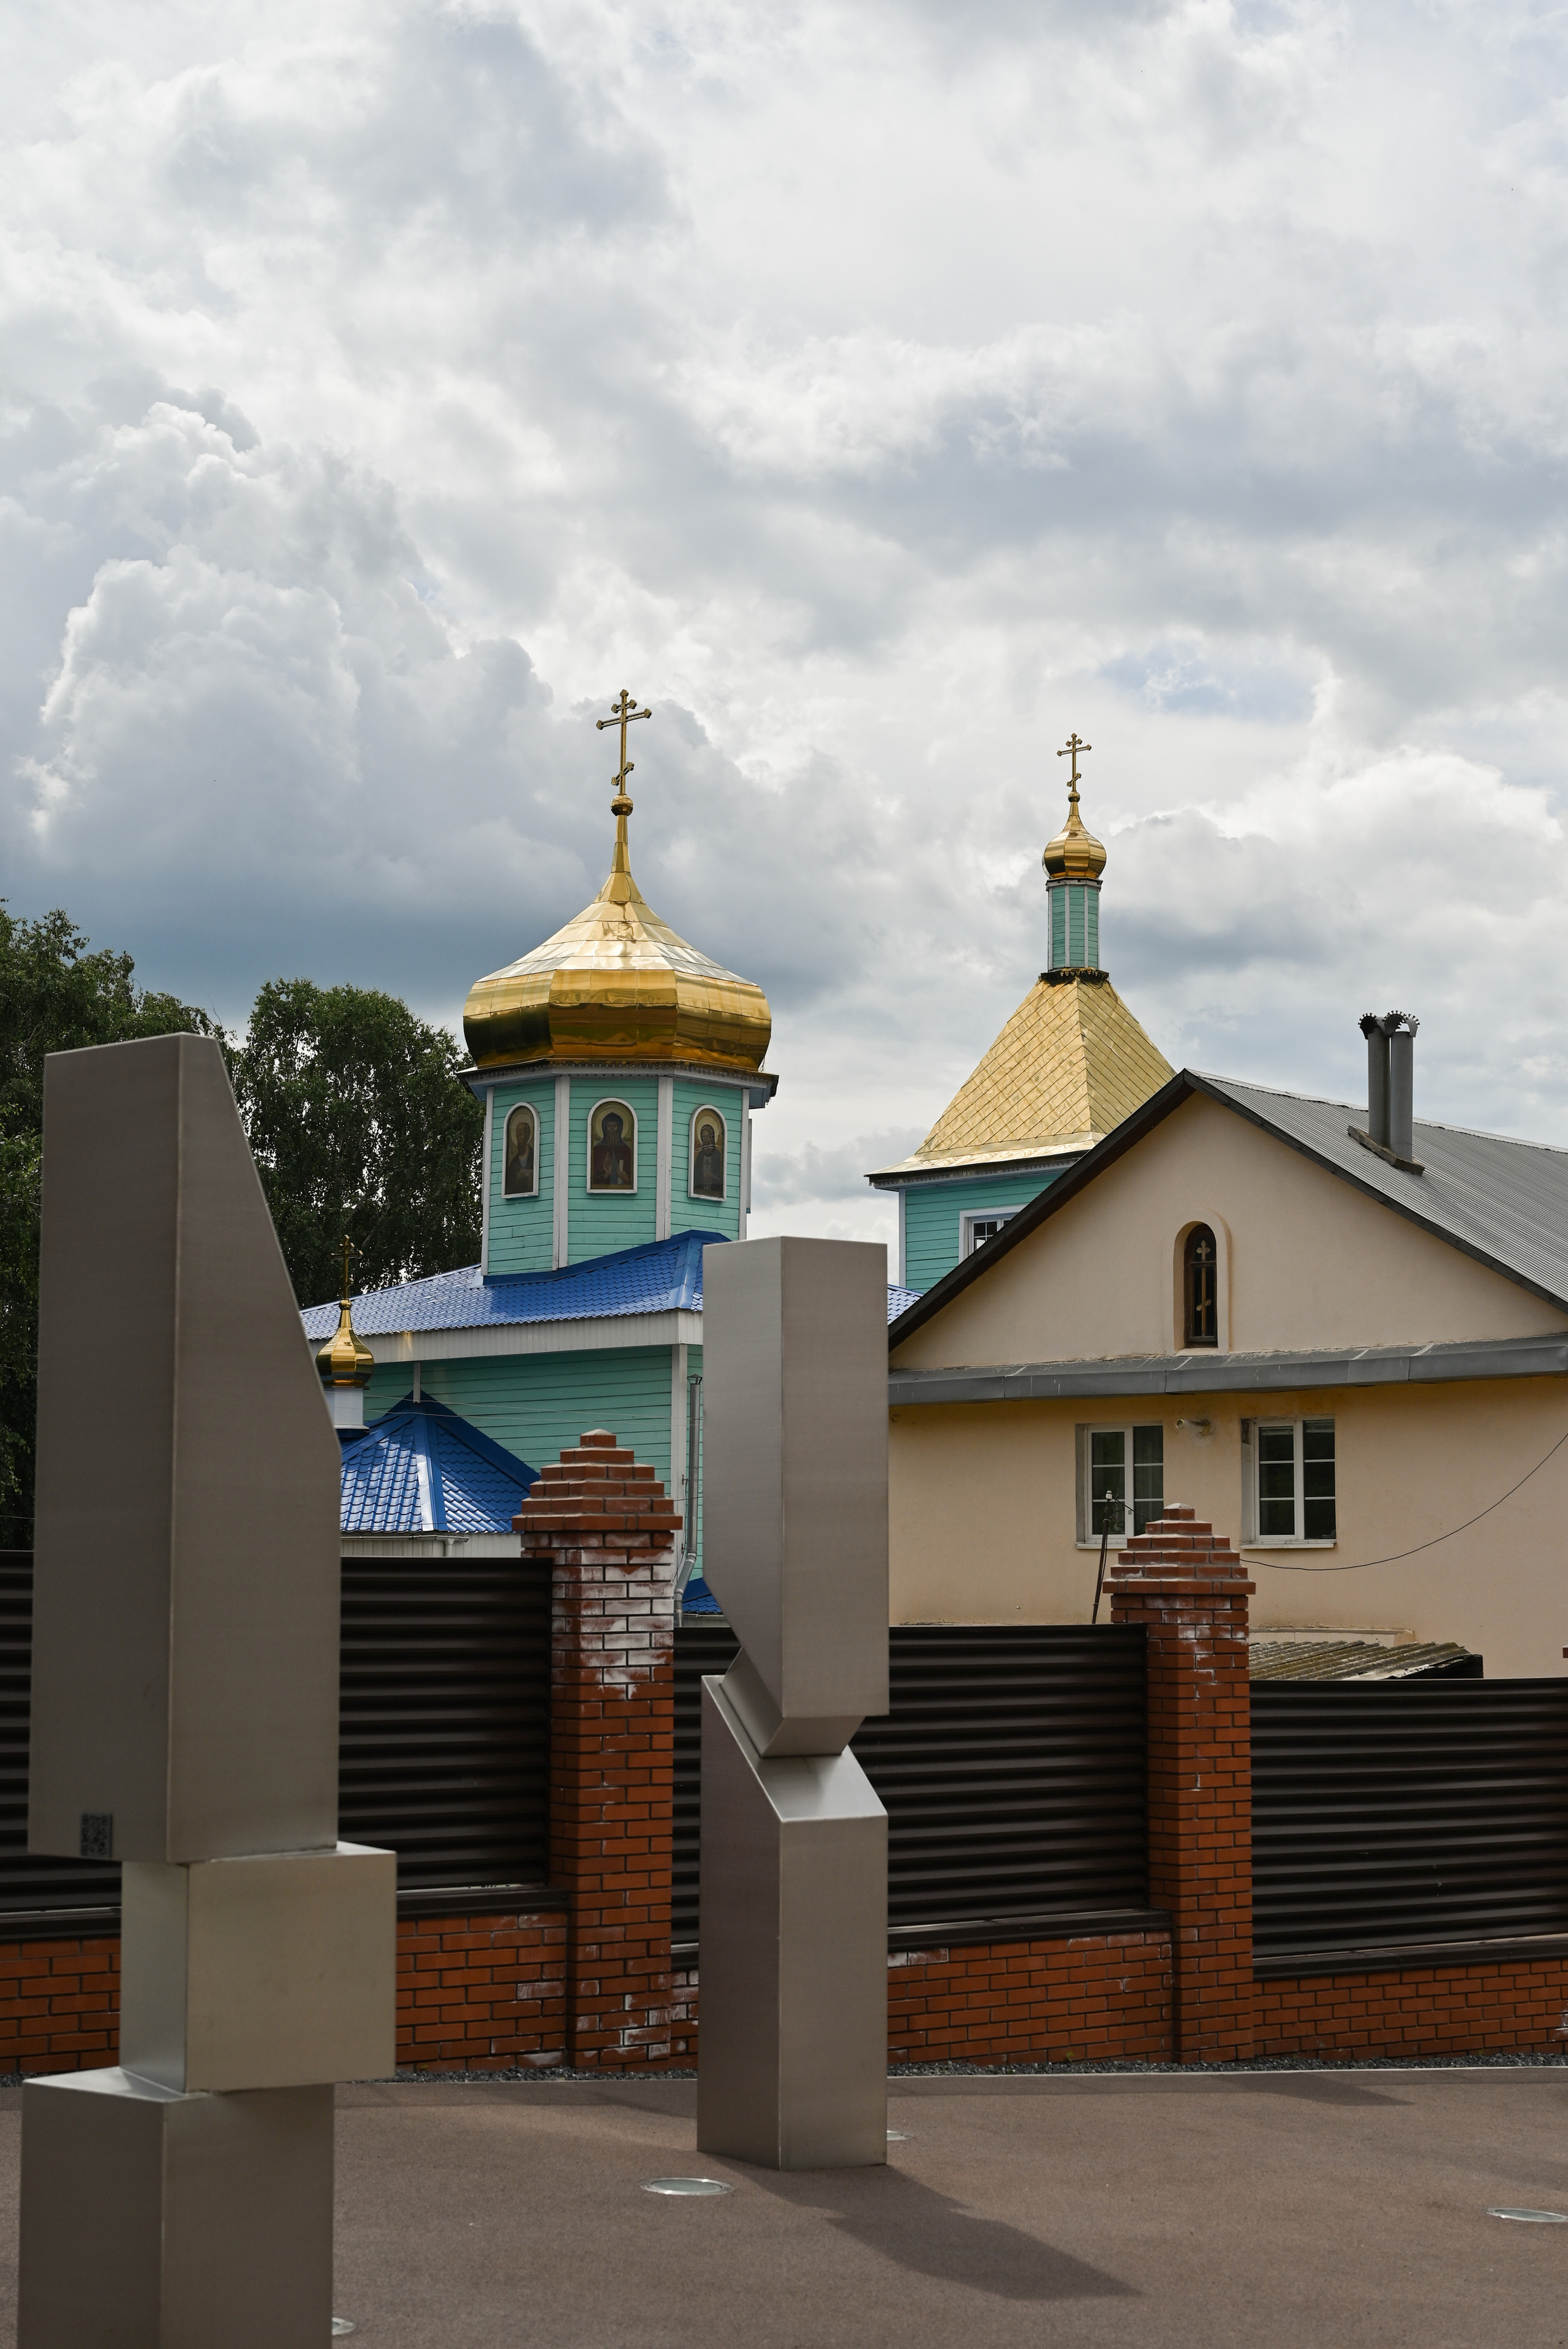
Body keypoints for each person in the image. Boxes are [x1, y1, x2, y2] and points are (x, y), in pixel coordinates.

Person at [591, 1107, 634, 1189]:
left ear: (620, 1129)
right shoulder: (598, 1150)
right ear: (605, 1128)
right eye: (609, 1126)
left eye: (615, 1126)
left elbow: (631, 1178)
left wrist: (626, 1178)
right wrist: (605, 1175)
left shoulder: (626, 1150)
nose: (612, 1130)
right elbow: (593, 1178)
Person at [504, 1106, 535, 1195]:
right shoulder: (513, 1163)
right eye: (517, 1136)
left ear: (527, 1135)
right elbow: (512, 1184)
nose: (519, 1139)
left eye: (521, 1135)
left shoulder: (534, 1156)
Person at [692, 1116, 725, 1198]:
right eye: (703, 1137)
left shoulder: (717, 1155)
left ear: (711, 1137)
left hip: (714, 1189)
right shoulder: (700, 1155)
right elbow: (696, 1174)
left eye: (707, 1137)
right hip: (701, 1189)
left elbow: (720, 1176)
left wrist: (712, 1176)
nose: (705, 1140)